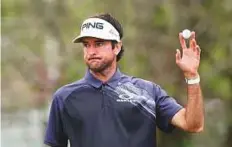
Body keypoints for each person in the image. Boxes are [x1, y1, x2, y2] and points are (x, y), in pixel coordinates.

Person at [44, 13, 204, 147]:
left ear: (117, 47)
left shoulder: (148, 92)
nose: (91, 51)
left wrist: (192, 76)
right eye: (86, 45)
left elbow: (193, 124)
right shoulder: (64, 97)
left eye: (99, 43)